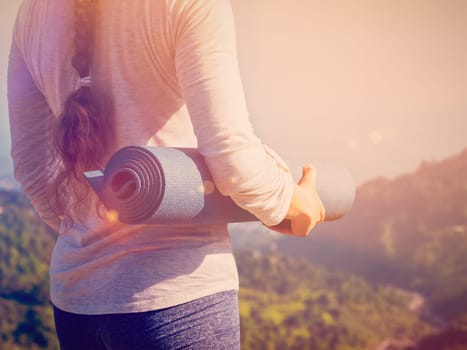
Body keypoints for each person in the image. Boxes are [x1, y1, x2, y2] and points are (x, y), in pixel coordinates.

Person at [8, 0, 325, 349]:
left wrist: (85, 231)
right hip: (178, 300)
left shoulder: (33, 11)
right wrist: (293, 201)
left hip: (77, 307)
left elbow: (32, 169)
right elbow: (232, 157)